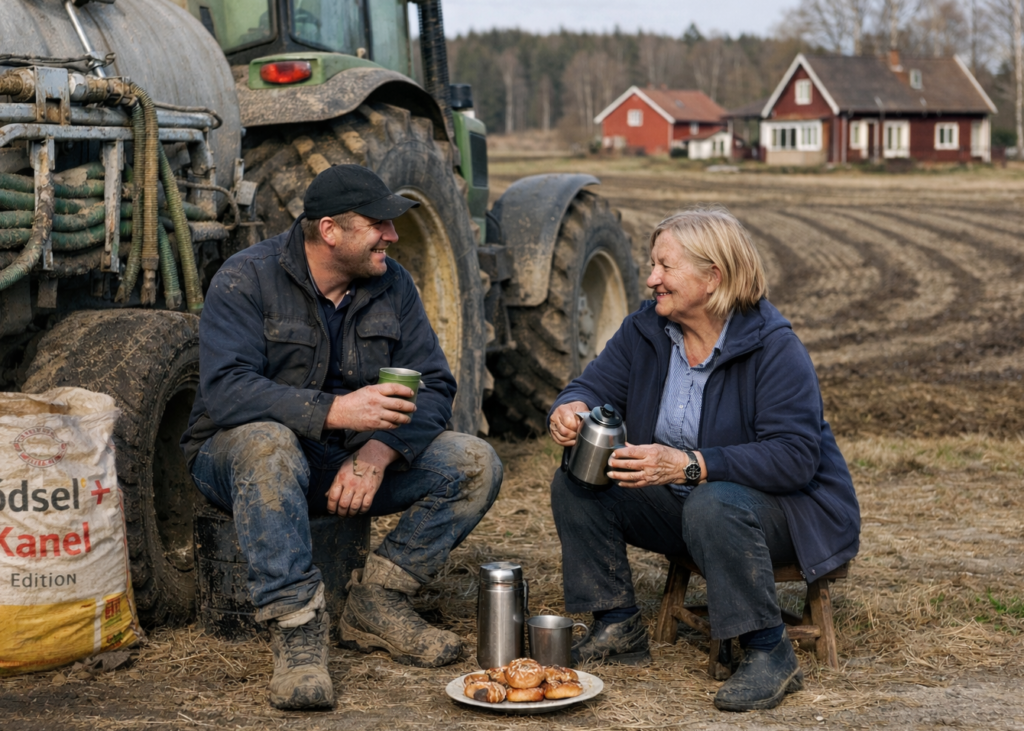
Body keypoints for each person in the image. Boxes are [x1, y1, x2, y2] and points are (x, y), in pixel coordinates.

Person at [180, 165, 502, 710]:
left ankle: (377, 600)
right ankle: (297, 629)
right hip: (239, 457)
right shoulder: (245, 279)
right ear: (330, 231)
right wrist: (336, 411)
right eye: (379, 224)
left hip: (347, 460)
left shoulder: (392, 284)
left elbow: (436, 385)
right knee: (266, 443)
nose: (393, 237)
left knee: (475, 461)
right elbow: (227, 393)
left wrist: (378, 453)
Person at [548, 207, 859, 712]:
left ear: (712, 276)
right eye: (653, 266)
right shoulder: (646, 330)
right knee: (578, 480)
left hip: (791, 515)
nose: (651, 279)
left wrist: (690, 463)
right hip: (691, 507)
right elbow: (592, 384)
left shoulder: (774, 349)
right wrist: (571, 408)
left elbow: (795, 458)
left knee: (713, 502)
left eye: (665, 267)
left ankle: (768, 652)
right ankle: (617, 624)